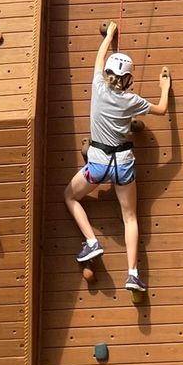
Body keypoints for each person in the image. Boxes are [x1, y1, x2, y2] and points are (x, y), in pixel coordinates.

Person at [64, 20, 170, 294]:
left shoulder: (98, 87)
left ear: (109, 73)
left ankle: (91, 241)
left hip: (98, 163)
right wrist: (164, 87)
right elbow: (160, 110)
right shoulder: (132, 101)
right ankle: (133, 273)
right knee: (130, 218)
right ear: (128, 79)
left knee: (70, 196)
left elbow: (99, 59)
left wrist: (110, 36)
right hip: (123, 165)